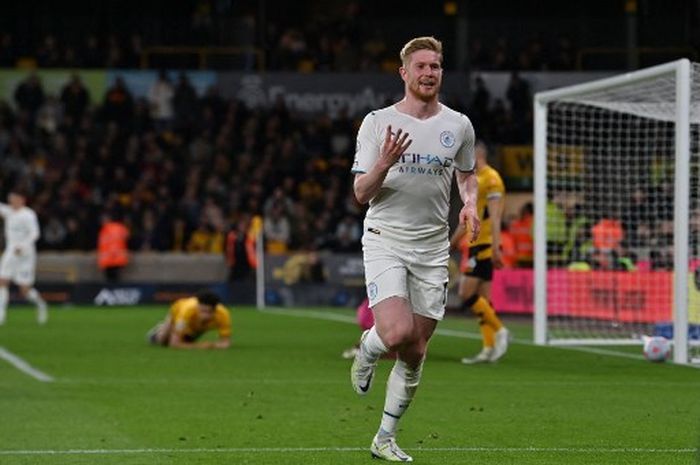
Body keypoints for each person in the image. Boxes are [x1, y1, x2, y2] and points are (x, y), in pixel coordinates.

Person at [350, 36, 479, 462]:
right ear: (403, 73)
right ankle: (368, 349)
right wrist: (384, 162)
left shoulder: (458, 125)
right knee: (396, 333)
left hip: (432, 248)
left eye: (435, 66)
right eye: (420, 66)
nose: (429, 73)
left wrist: (471, 205)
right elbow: (360, 193)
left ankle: (384, 437)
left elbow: (467, 174)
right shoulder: (377, 123)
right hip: (386, 240)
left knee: (416, 350)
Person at [450, 142, 510, 364]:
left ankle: (501, 330)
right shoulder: (474, 179)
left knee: (466, 293)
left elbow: (495, 217)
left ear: (478, 154)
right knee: (483, 300)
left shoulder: (491, 179)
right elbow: (468, 217)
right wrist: (452, 242)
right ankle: (488, 347)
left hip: (483, 244)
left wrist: (496, 247)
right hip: (473, 242)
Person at [0, 188, 48, 325]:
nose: (11, 200)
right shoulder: (8, 212)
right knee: (2, 280)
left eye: (14, 198)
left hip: (25, 255)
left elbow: (35, 233)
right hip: (10, 252)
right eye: (10, 198)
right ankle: (1, 314)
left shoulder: (28, 214)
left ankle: (41, 305)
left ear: (22, 199)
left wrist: (23, 246)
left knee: (24, 290)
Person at [147, 290, 231, 349]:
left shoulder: (223, 314)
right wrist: (201, 346)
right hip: (177, 313)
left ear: (214, 310)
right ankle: (158, 331)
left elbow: (225, 343)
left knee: (187, 340)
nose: (203, 315)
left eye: (208, 312)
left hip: (197, 325)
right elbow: (174, 344)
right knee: (163, 341)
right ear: (198, 306)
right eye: (201, 311)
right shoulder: (186, 311)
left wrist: (217, 345)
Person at [97, 212, 130, 282]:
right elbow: (127, 237)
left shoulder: (104, 230)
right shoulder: (119, 227)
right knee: (117, 281)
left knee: (110, 282)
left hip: (109, 260)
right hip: (118, 259)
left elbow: (101, 244)